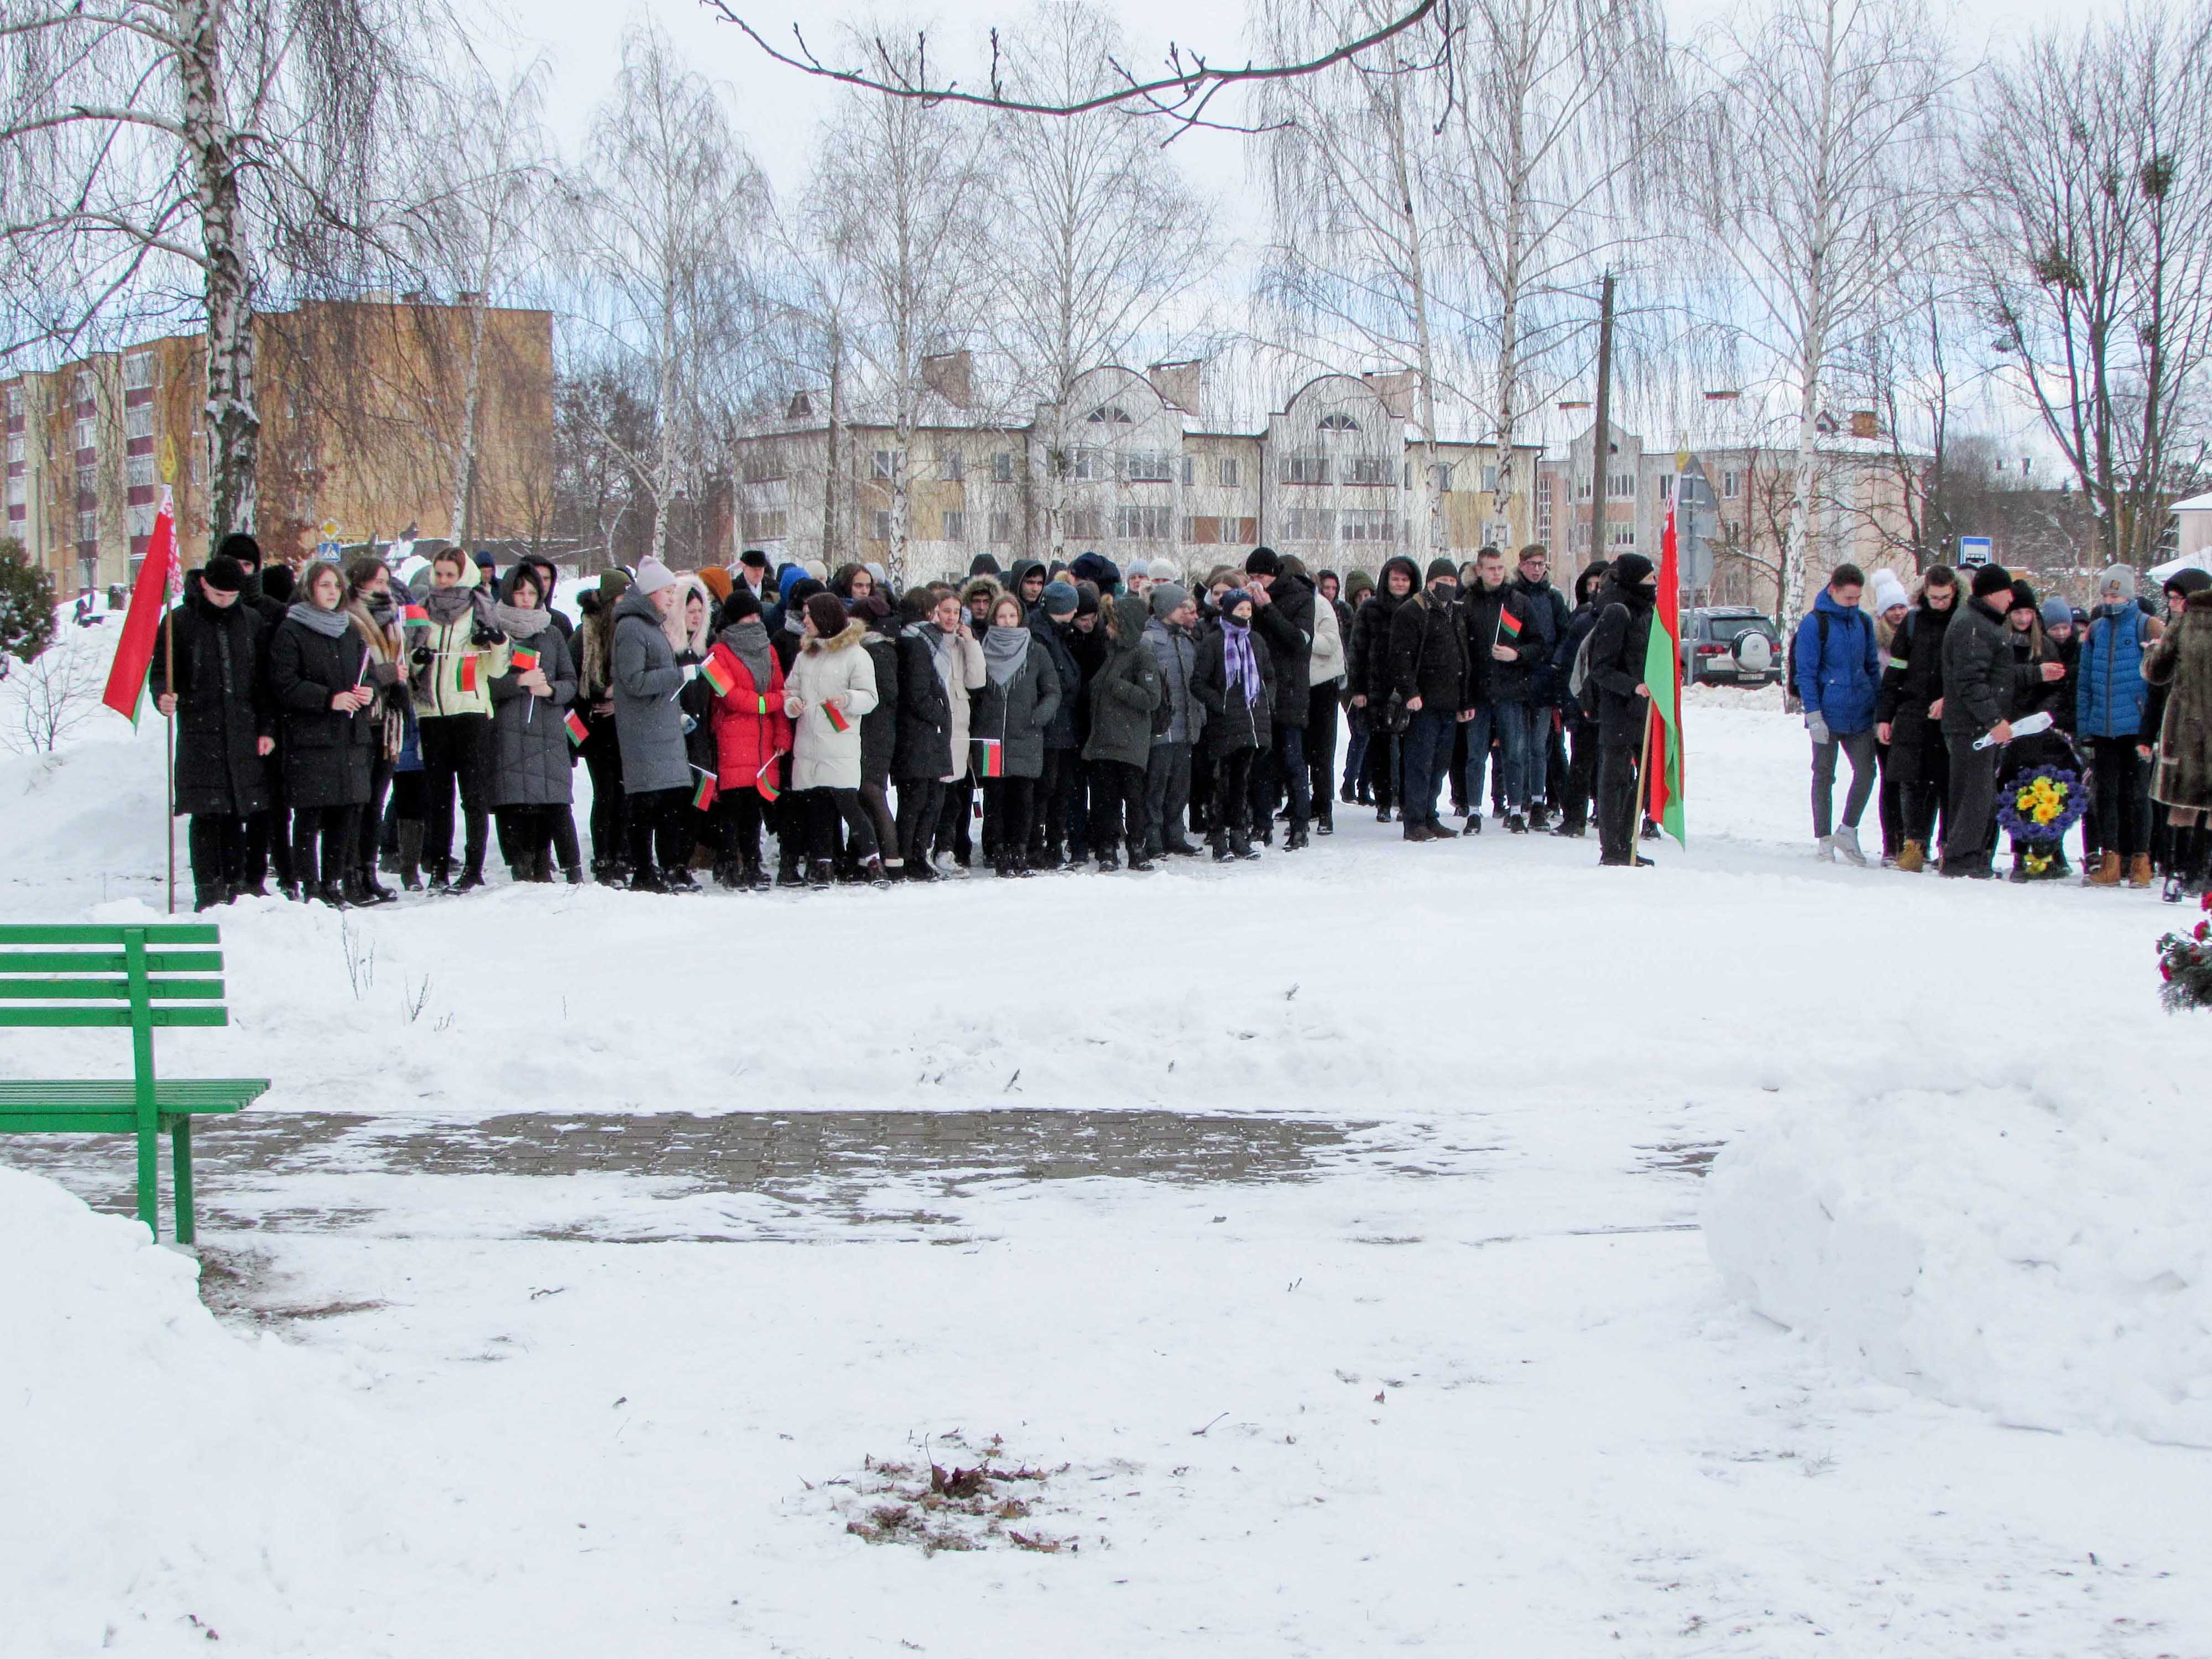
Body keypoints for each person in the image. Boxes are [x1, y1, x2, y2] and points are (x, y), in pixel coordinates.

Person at [153, 554, 273, 911]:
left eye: (231, 595)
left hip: (241, 729)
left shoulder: (251, 622)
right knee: (207, 813)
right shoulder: (179, 622)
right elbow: (162, 670)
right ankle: (208, 888)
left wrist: (266, 728)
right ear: (204, 585)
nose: (225, 601)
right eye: (219, 594)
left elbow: (262, 682)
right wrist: (164, 695)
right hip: (199, 731)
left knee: (239, 811)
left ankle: (236, 884)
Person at [267, 560, 377, 907]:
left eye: (336, 587)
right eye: (325, 586)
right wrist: (328, 699)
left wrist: (368, 690)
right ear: (310, 589)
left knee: (343, 813)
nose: (332, 593)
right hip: (312, 738)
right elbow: (284, 684)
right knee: (311, 814)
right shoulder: (292, 630)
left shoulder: (350, 630)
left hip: (348, 736)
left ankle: (333, 881)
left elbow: (367, 671)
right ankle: (309, 884)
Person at [1939, 564, 2057, 878]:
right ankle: (1961, 858)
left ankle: (1971, 854)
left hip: (1978, 725)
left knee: (1979, 792)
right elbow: (1971, 681)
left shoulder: (1985, 623)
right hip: (1972, 726)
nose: (2011, 600)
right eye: (2008, 593)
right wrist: (1993, 720)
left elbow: (1998, 674)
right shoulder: (1972, 626)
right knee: (1973, 794)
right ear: (1993, 593)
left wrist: (2037, 673)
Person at [407, 546, 507, 893]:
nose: (444, 581)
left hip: (471, 711)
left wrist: (495, 642)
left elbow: (497, 668)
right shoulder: (423, 610)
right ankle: (437, 866)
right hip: (433, 711)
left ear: (464, 575)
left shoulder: (480, 607)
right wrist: (418, 659)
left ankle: (473, 865)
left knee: (473, 795)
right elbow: (410, 665)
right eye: (440, 574)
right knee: (438, 795)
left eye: (451, 574)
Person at [785, 590, 887, 888]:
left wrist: (848, 699)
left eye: (809, 615)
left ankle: (872, 860)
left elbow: (870, 698)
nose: (804, 621)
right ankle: (823, 865)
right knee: (818, 806)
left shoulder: (856, 655)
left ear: (824, 618)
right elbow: (790, 690)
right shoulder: (806, 656)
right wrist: (792, 704)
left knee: (848, 804)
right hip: (809, 743)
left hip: (839, 743)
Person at [486, 564, 577, 884]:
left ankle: (553, 863)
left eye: (532, 593)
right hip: (509, 729)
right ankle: (521, 865)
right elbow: (483, 684)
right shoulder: (495, 632)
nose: (526, 599)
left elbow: (570, 681)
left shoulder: (551, 632)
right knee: (514, 801)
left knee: (553, 802)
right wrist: (519, 683)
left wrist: (550, 689)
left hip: (548, 730)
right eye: (520, 592)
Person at [609, 557, 693, 892]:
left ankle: (669, 868)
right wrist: (677, 675)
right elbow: (633, 681)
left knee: (669, 801)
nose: (673, 598)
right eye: (668, 591)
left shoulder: (650, 625)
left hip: (662, 728)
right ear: (650, 592)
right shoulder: (632, 627)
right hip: (644, 732)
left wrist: (678, 714)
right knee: (646, 803)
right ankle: (644, 871)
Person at [2075, 566, 2161, 889]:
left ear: (2129, 594)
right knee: (2106, 794)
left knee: (2139, 795)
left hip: (2137, 728)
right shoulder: (2096, 630)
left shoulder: (2146, 625)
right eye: (2106, 595)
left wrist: (2151, 729)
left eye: (2117, 594)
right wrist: (2085, 726)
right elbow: (2084, 683)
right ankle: (2110, 858)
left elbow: (2159, 679)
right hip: (2103, 726)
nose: (2111, 601)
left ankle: (2141, 859)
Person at [893, 585, 984, 881]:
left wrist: (970, 643)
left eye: (956, 612)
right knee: (926, 797)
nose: (950, 617)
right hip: (930, 726)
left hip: (954, 726)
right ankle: (916, 853)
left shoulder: (957, 643)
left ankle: (939, 850)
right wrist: (938, 713)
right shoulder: (922, 642)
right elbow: (920, 690)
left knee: (948, 796)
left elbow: (976, 680)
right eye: (945, 611)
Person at [1792, 562, 1882, 864]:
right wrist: (1814, 714)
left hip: (1860, 711)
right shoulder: (1815, 623)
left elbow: (1872, 666)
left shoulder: (1864, 623)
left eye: (1858, 598)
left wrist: (1879, 705)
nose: (1854, 604)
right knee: (1824, 775)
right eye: (1848, 598)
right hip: (1828, 713)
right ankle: (1823, 838)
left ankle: (1848, 829)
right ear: (1833, 590)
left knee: (1867, 771)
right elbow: (1805, 673)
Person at [1874, 565, 1961, 873]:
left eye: (1944, 597)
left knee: (1948, 784)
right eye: (1933, 597)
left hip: (1950, 717)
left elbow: (1969, 673)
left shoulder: (1961, 622)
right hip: (1913, 713)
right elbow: (1895, 673)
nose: (1939, 603)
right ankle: (1913, 845)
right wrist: (1885, 716)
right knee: (1912, 783)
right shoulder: (1913, 623)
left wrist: (1951, 698)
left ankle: (1947, 846)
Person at [705, 586, 791, 890]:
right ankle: (730, 862)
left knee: (754, 807)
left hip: (764, 740)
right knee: (732, 806)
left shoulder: (768, 650)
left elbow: (781, 690)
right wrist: (767, 704)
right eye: (746, 616)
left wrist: (782, 731)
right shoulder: (718, 652)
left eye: (756, 615)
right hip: (732, 737)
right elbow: (728, 695)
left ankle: (753, 863)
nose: (753, 621)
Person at [972, 591, 1064, 877]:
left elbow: (1053, 691)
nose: (1008, 621)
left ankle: (1020, 851)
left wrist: (1038, 716)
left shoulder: (1035, 651)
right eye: (1002, 616)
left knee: (1024, 798)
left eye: (1013, 616)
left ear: (1020, 617)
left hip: (1026, 737)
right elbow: (973, 690)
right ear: (993, 618)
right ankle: (999, 852)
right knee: (996, 799)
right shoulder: (981, 649)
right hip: (991, 739)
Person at [1460, 546, 1545, 834]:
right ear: (1479, 570)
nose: (1497, 573)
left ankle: (1517, 810)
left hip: (1510, 690)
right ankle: (1473, 811)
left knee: (1514, 753)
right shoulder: (1467, 602)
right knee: (1475, 756)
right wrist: (1465, 695)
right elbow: (1461, 652)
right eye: (1491, 568)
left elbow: (1539, 644)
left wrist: (1517, 654)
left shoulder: (1517, 601)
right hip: (1478, 692)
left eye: (1500, 568)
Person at [1386, 558, 1470, 842]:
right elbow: (1400, 658)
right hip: (1423, 703)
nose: (1448, 588)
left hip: (1449, 701)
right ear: (1430, 583)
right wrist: (1410, 692)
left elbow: (1463, 657)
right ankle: (1414, 821)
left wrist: (1464, 700)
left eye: (1453, 583)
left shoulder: (1454, 612)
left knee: (1440, 764)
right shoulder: (1412, 612)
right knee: (1419, 763)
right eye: (1443, 583)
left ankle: (1430, 816)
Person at [1582, 555, 1657, 867]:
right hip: (1620, 709)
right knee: (1617, 778)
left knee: (1643, 779)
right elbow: (1601, 668)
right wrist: (1633, 686)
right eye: (1651, 579)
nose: (1655, 584)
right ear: (1635, 580)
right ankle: (1612, 847)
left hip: (1644, 710)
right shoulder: (1617, 611)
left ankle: (1628, 841)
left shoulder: (1647, 611)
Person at [340, 556, 407, 904]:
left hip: (389, 718)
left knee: (376, 802)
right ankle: (349, 871)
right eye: (377, 583)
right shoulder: (350, 616)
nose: (384, 589)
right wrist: (388, 675)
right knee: (357, 801)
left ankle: (369, 870)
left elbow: (399, 661)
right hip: (362, 719)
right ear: (360, 583)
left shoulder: (392, 616)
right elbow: (355, 670)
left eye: (386, 582)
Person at [1192, 587, 1276, 860]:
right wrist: (1221, 704)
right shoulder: (1214, 642)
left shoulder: (1257, 641)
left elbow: (1269, 676)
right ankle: (1218, 835)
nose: (1245, 614)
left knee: (1243, 780)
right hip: (1225, 724)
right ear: (1227, 611)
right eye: (1240, 609)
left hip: (1252, 721)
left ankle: (1239, 833)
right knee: (1220, 781)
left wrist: (1266, 701)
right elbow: (1199, 683)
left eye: (1249, 610)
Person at [1083, 592, 1165, 870]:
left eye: (1113, 623)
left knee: (1134, 799)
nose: (1107, 628)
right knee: (1105, 800)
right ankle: (1107, 848)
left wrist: (1118, 687)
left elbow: (1151, 698)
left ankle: (1137, 847)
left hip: (1131, 742)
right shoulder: (1106, 650)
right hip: (1103, 739)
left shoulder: (1142, 653)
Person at [2144, 575, 2212, 900]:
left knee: (2182, 804)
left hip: (2186, 727)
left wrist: (2152, 652)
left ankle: (2175, 873)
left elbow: (2156, 673)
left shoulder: (2183, 625)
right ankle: (2207, 873)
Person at [1243, 547, 1316, 849]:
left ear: (1274, 575)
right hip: (1259, 691)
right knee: (1260, 762)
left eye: (1260, 577)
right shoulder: (1251, 600)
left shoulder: (1301, 597)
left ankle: (1301, 824)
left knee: (1292, 761)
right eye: (1251, 578)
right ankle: (1262, 823)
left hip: (1289, 691)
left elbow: (1298, 641)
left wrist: (1269, 609)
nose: (1256, 583)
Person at [573, 570, 632, 882]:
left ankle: (622, 853)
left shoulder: (628, 629)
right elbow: (577, 679)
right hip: (596, 726)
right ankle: (604, 856)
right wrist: (601, 693)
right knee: (606, 792)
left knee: (624, 792)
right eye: (620, 599)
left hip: (623, 724)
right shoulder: (586, 632)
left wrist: (619, 697)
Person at [1350, 556, 1418, 821]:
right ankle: (1383, 800)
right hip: (1377, 686)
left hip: (1409, 688)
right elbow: (1357, 651)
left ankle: (1405, 799)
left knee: (1408, 748)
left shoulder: (1418, 608)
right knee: (1380, 747)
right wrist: (1357, 689)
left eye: (1405, 580)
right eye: (1395, 579)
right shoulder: (1370, 609)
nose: (1400, 584)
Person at [1510, 545, 1572, 830]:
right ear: (1521, 565)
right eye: (1532, 564)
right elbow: (1506, 637)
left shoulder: (1553, 598)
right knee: (1516, 746)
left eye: (1541, 564)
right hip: (1518, 680)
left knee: (1539, 747)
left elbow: (1565, 636)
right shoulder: (1511, 597)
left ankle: (1538, 801)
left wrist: (1555, 664)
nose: (1537, 569)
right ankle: (1516, 802)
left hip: (1545, 682)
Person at [1142, 581, 1206, 859]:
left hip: (1186, 724)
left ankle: (1175, 835)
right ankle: (1153, 837)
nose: (1187, 612)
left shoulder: (1186, 638)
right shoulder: (1149, 640)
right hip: (1160, 727)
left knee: (1181, 785)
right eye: (1182, 607)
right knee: (1156, 785)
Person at [1549, 560, 1611, 839]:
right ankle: (1575, 818)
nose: (1597, 590)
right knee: (1582, 762)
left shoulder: (1628, 618)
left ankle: (1612, 814)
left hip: (1616, 703)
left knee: (1612, 764)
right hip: (1587, 702)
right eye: (1593, 585)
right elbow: (1570, 666)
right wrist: (1572, 704)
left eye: (1603, 585)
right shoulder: (1583, 619)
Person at [1027, 578, 1086, 868]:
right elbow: (1054, 681)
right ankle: (1040, 847)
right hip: (1052, 725)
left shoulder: (1056, 633)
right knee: (1047, 789)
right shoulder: (1043, 635)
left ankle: (1051, 845)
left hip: (1061, 725)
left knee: (1058, 788)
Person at [1868, 569, 1913, 864]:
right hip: (1884, 717)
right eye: (1892, 609)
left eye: (1901, 607)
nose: (1898, 613)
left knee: (1910, 782)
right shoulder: (1877, 641)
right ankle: (1891, 842)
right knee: (1890, 781)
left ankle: (1910, 841)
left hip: (1908, 717)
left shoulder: (1913, 634)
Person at [1305, 559, 1349, 835]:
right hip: (1300, 684)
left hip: (1322, 683)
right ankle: (1308, 803)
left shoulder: (1321, 606)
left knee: (1323, 751)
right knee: (1302, 749)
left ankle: (1325, 808)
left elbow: (1330, 643)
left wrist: (1301, 637)